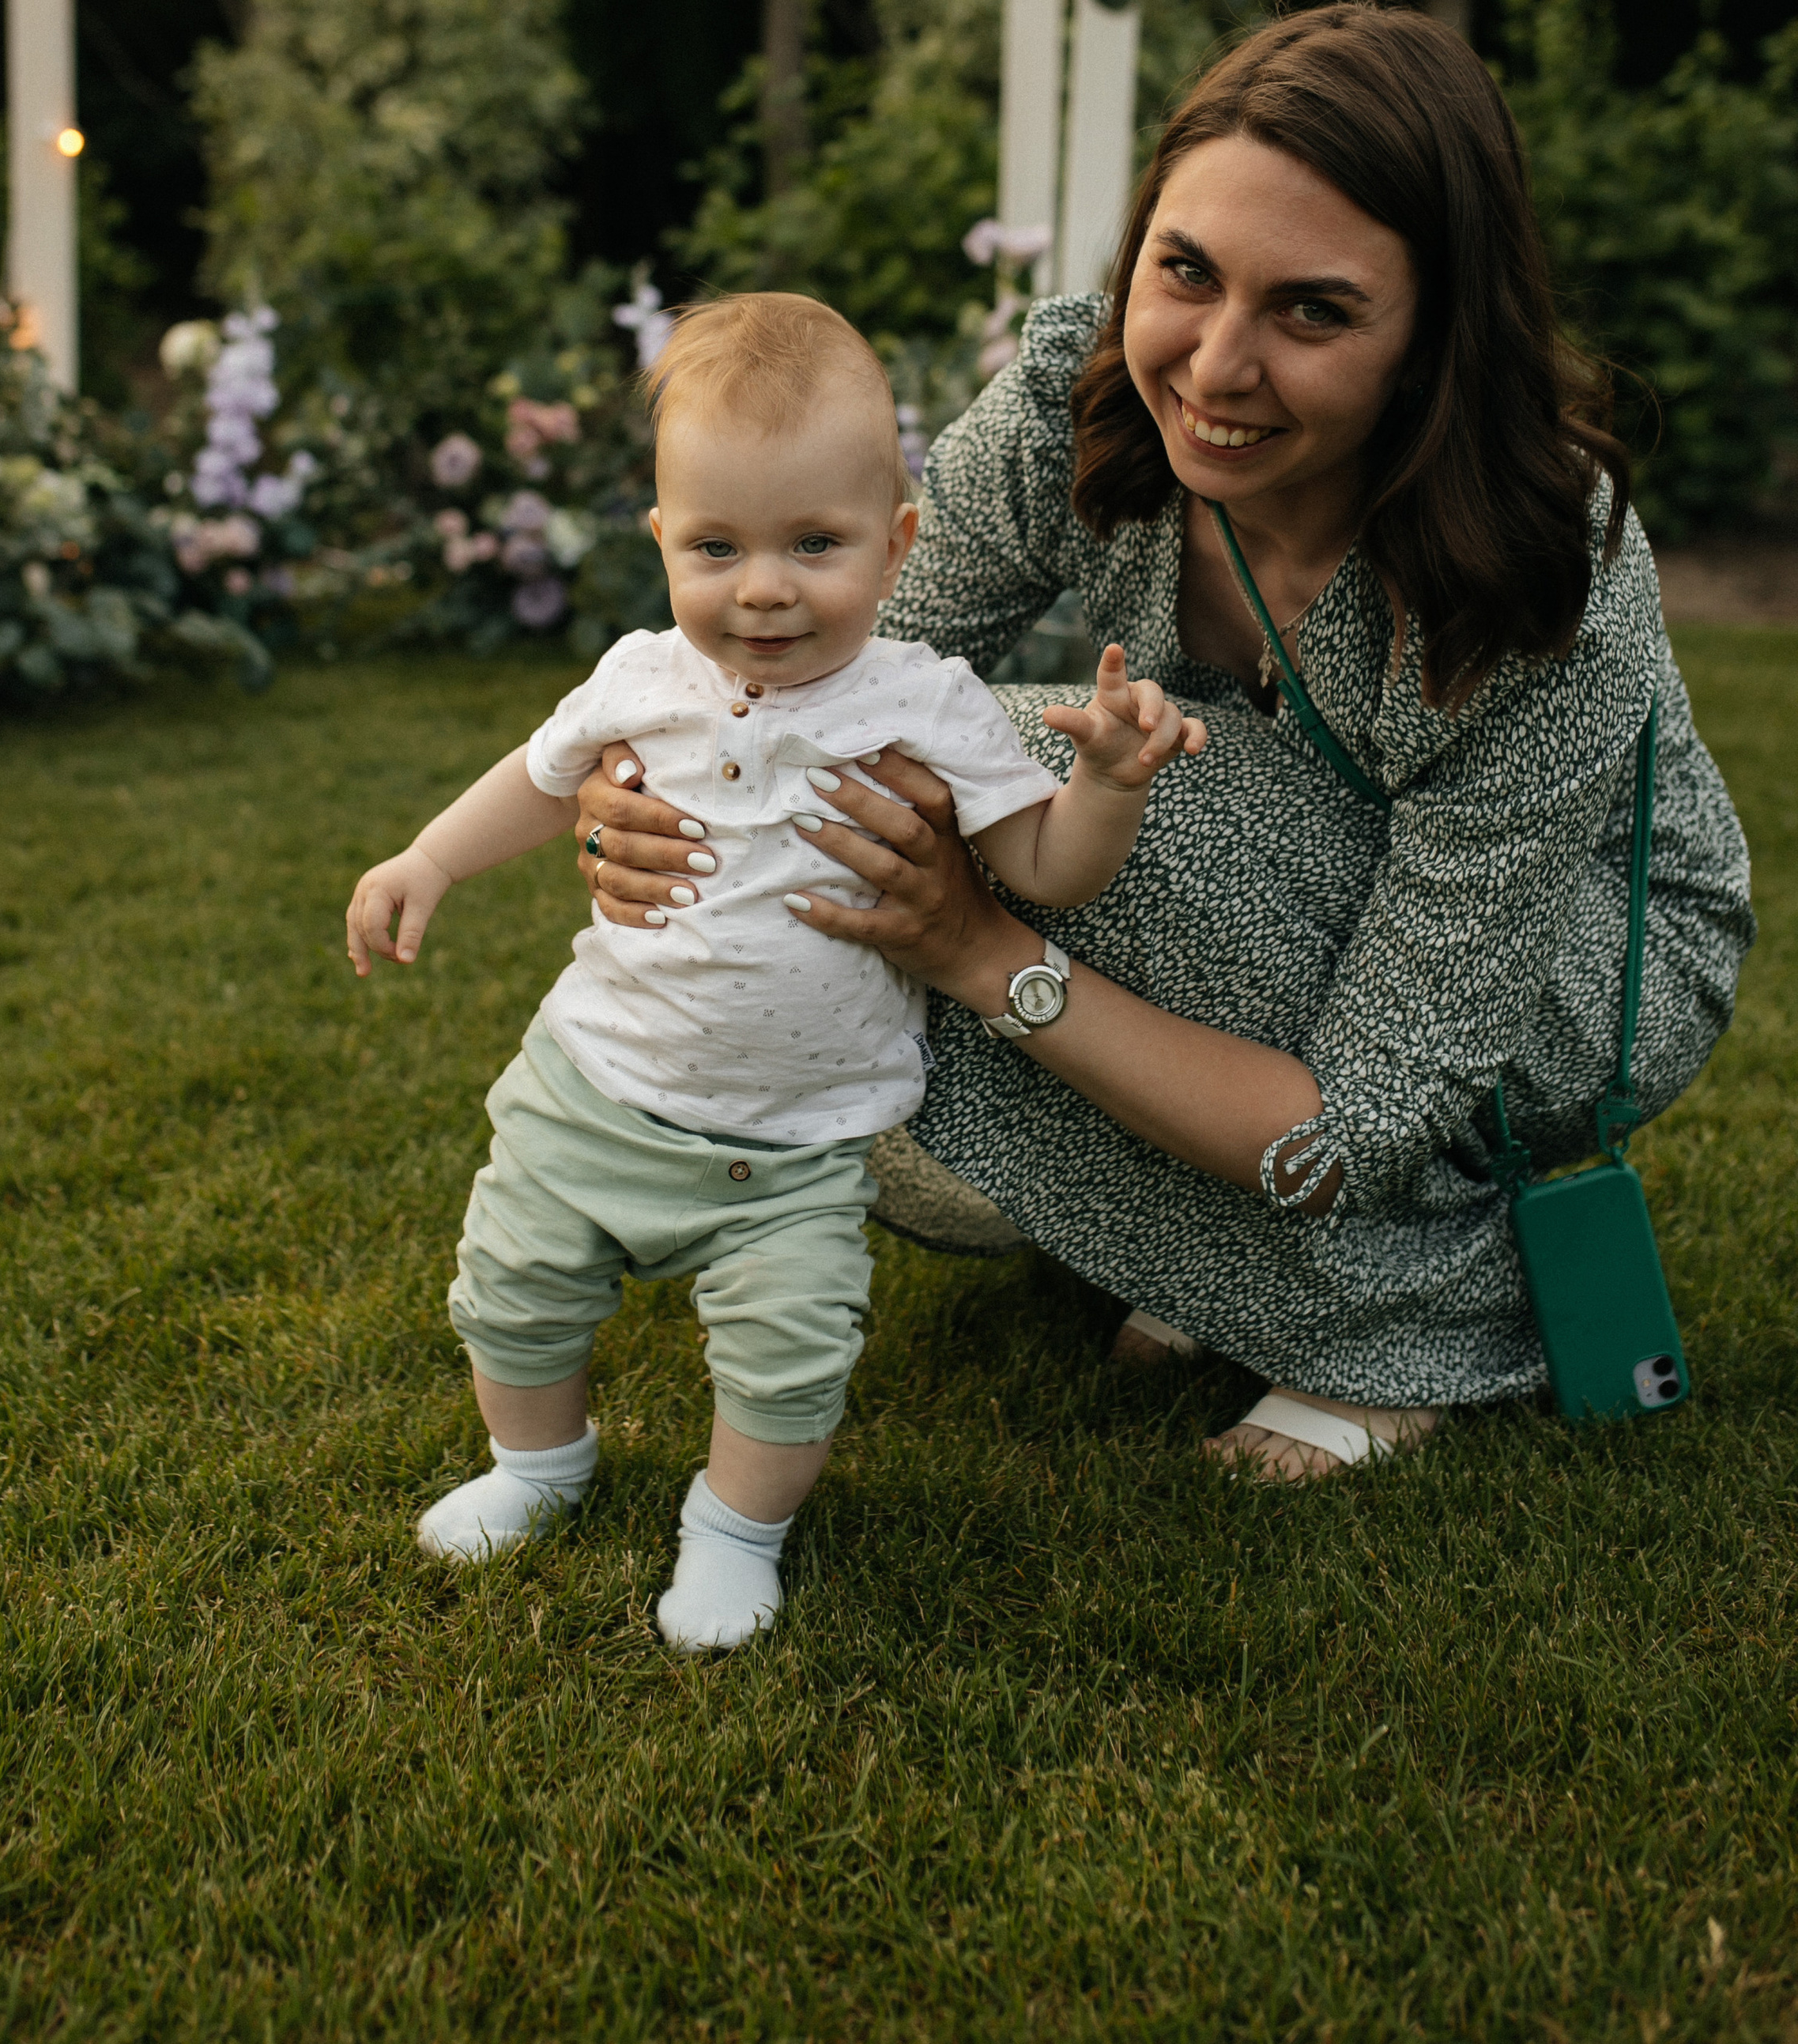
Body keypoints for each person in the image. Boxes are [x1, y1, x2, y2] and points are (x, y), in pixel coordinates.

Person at [574, 8, 1755, 1481]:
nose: (1214, 364)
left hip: (1583, 953)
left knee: (1050, 783)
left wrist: (973, 952)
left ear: (1435, 341)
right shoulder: (1086, 402)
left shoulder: (1542, 569)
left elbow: (1362, 1119)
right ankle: (1211, 1265)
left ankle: (1403, 1333)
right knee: (883, 793)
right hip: (1259, 886)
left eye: (1313, 313)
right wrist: (651, 794)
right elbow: (834, 686)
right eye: (1185, 272)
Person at [345, 293, 1203, 1647]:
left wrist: (1101, 784)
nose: (761, 588)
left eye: (815, 543)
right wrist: (428, 863)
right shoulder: (640, 673)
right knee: (508, 1290)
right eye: (716, 545)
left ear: (898, 542)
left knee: (788, 1363)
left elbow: (1045, 868)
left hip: (797, 1144)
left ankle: (735, 1532)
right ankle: (537, 1465)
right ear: (662, 543)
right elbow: (537, 776)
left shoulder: (926, 701)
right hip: (594, 1087)